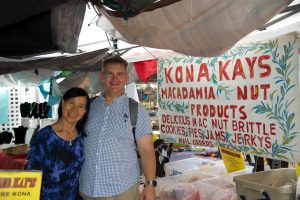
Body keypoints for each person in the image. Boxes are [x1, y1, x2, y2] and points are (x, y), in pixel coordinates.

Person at [80, 55, 156, 200]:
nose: (114, 79)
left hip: (121, 191)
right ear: (101, 77)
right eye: (110, 74)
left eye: (120, 74)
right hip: (87, 189)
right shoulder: (87, 107)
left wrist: (150, 185)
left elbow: (146, 150)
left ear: (126, 78)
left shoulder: (137, 110)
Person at [27, 87, 90, 200]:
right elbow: (31, 176)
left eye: (81, 106)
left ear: (85, 111)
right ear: (63, 103)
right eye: (71, 103)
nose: (75, 109)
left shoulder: (81, 137)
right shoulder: (43, 137)